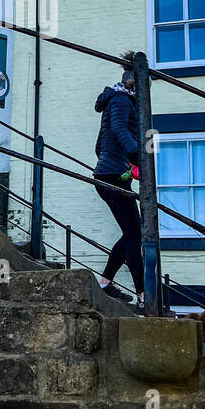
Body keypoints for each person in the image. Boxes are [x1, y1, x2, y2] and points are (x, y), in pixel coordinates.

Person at [91, 58, 144, 307]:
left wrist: (121, 162)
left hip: (111, 176)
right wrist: (137, 157)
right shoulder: (122, 100)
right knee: (135, 233)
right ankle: (144, 295)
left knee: (134, 232)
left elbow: (100, 145)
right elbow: (119, 128)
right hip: (111, 178)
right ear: (134, 83)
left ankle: (104, 283)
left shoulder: (117, 99)